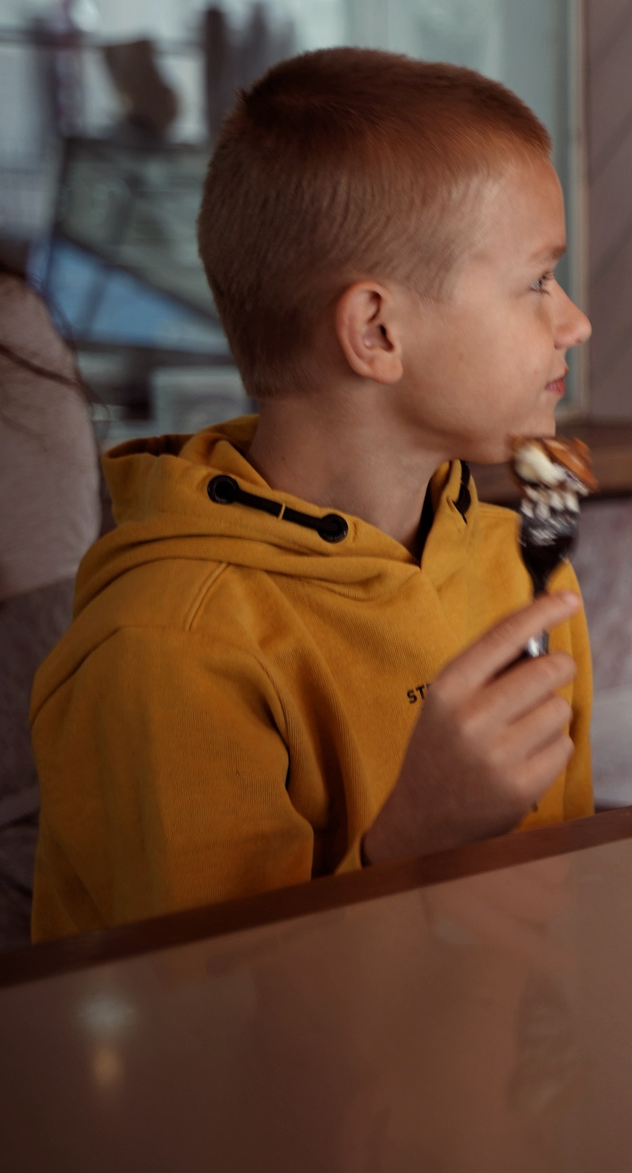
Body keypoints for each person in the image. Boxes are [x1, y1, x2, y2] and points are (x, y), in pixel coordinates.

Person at [30, 49, 595, 940]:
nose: (573, 321)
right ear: (375, 329)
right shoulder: (168, 647)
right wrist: (412, 843)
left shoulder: (518, 570)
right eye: (536, 280)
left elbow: (565, 904)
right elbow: (212, 1043)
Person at [0, 266, 102, 946]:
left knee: (24, 828)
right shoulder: (18, 309)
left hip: (31, 604)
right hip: (44, 595)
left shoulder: (9, 314)